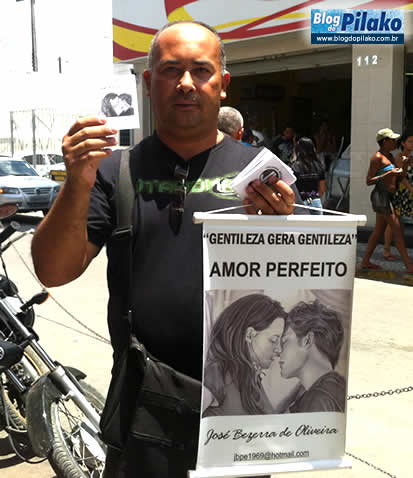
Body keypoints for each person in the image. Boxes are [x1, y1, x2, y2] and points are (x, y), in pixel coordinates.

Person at [31, 21, 303, 478]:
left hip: (240, 410)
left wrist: (284, 232)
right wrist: (77, 182)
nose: (186, 83)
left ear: (223, 83)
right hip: (143, 411)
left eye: (201, 70)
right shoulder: (114, 170)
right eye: (171, 70)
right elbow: (52, 271)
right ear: (148, 81)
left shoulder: (262, 174)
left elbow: (297, 288)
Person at [203, 294, 289, 417]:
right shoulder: (217, 373)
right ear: (249, 335)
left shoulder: (250, 378)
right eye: (274, 340)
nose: (279, 349)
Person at [360, 128, 413, 273]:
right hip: (381, 196)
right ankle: (409, 266)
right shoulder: (377, 158)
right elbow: (369, 181)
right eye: (392, 140)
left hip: (389, 196)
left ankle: (365, 261)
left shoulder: (390, 156)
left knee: (378, 231)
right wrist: (388, 174)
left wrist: (405, 165)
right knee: (397, 230)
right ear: (384, 142)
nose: (395, 142)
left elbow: (399, 177)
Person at [279, 300, 346, 413]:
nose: (278, 351)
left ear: (307, 340)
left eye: (285, 342)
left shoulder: (319, 399)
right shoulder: (334, 389)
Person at [383, 131, 413, 260]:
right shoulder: (399, 158)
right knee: (393, 222)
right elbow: (401, 177)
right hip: (400, 193)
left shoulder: (411, 158)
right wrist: (410, 189)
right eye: (410, 141)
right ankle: (386, 250)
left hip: (409, 193)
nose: (412, 144)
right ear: (403, 143)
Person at [291, 137, 326, 214]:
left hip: (301, 203)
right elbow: (322, 188)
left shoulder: (294, 167)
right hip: (316, 202)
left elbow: (292, 188)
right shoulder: (318, 165)